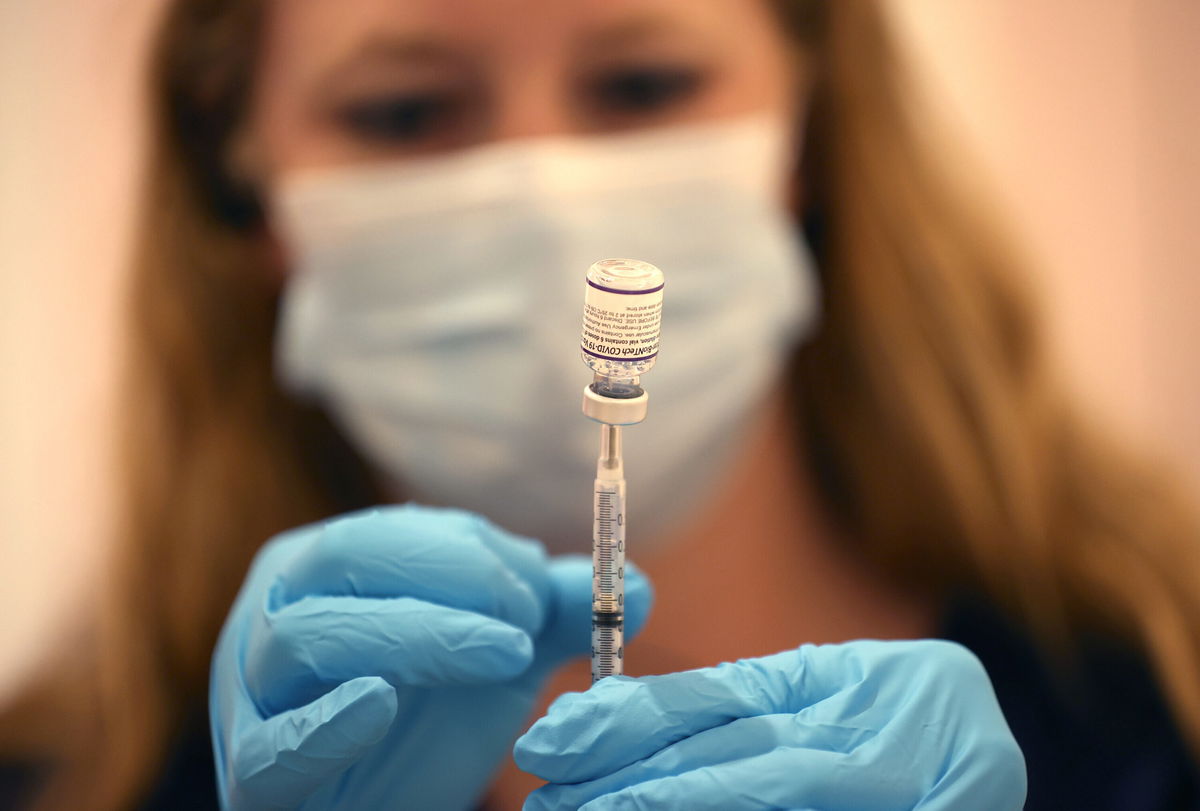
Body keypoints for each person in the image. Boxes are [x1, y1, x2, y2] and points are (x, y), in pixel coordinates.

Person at [2, 0, 1198, 809]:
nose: (548, 192)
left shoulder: (1162, 696)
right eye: (404, 112)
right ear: (244, 187)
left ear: (813, 131)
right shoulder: (61, 778)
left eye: (641, 83)